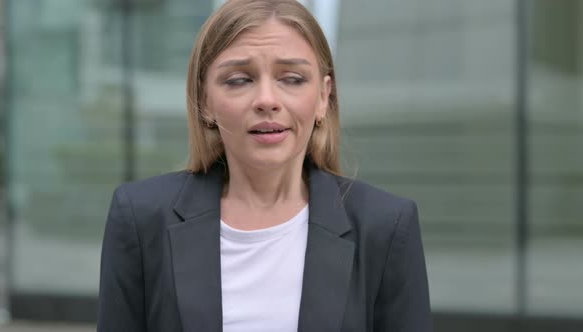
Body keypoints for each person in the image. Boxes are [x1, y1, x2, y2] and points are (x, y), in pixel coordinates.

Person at [97, 0, 432, 331]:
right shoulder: (140, 219)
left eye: (292, 78)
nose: (267, 101)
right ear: (205, 102)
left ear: (322, 97)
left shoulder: (386, 228)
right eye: (239, 80)